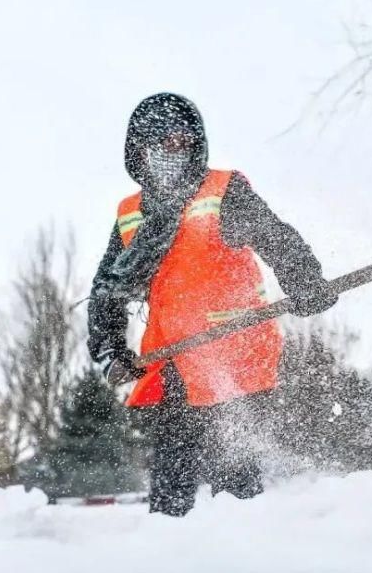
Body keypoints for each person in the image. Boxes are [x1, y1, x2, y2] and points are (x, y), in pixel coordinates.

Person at [87, 93, 337, 515]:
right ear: (140, 151)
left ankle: (244, 546)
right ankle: (173, 549)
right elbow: (106, 289)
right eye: (163, 144)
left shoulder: (222, 192)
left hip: (232, 356)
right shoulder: (131, 213)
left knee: (232, 480)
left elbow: (275, 237)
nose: (175, 152)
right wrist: (111, 349)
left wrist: (304, 282)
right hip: (174, 364)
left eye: (183, 143)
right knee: (171, 485)